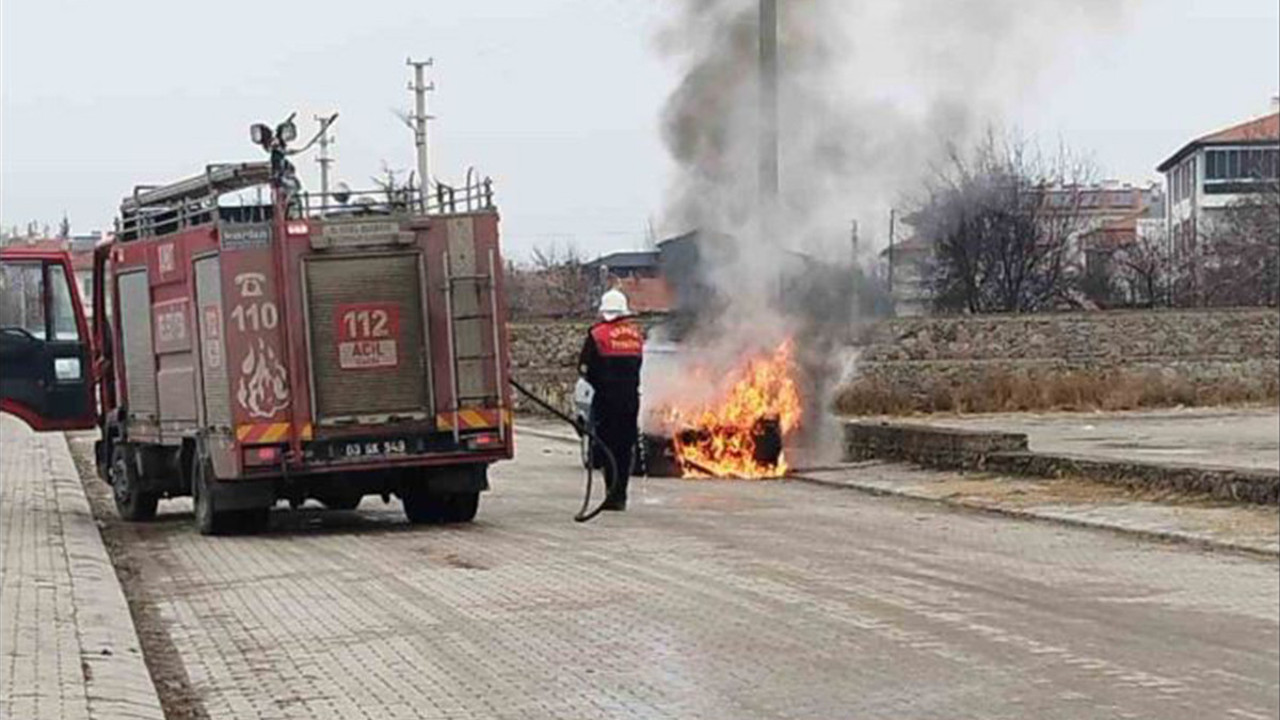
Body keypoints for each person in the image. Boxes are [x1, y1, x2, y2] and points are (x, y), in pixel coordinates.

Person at [578, 289, 644, 511]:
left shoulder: (597, 335)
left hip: (606, 402)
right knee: (625, 448)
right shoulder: (635, 335)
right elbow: (638, 366)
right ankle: (621, 495)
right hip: (630, 401)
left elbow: (584, 368)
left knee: (607, 447)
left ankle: (611, 493)